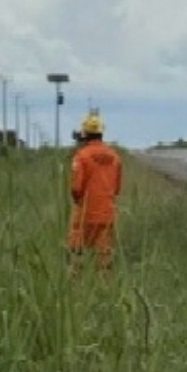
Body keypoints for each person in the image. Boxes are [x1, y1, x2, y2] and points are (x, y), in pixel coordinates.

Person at [67, 111, 123, 272]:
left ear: (84, 134)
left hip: (85, 212)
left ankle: (75, 286)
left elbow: (76, 188)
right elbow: (117, 188)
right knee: (104, 256)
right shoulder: (114, 157)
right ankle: (105, 287)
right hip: (107, 213)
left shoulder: (81, 156)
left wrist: (77, 201)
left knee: (75, 251)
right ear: (101, 133)